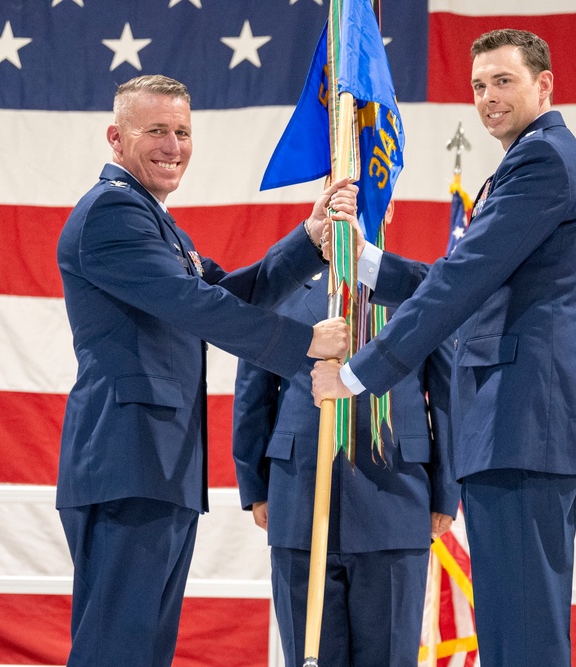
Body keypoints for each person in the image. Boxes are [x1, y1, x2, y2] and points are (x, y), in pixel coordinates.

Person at [311, 29, 576, 666]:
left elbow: (460, 281)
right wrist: (364, 261)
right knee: (513, 627)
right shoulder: (530, 162)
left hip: (526, 419)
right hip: (514, 424)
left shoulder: (544, 161)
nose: (488, 98)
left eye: (504, 81)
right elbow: (464, 280)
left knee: (523, 633)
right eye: (478, 85)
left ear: (544, 85)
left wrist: (361, 375)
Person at [55, 74, 357, 667]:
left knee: (142, 651)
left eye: (183, 132)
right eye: (156, 131)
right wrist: (307, 346)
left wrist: (309, 238)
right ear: (116, 137)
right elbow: (199, 307)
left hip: (157, 466)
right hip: (128, 460)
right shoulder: (114, 212)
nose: (173, 145)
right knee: (116, 649)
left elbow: (226, 293)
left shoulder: (154, 220)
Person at [232, 207, 460, 667]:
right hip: (299, 495)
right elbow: (253, 394)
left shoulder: (416, 290)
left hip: (396, 497)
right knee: (310, 655)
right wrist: (255, 485)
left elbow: (447, 397)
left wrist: (446, 491)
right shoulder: (282, 287)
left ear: (386, 207)